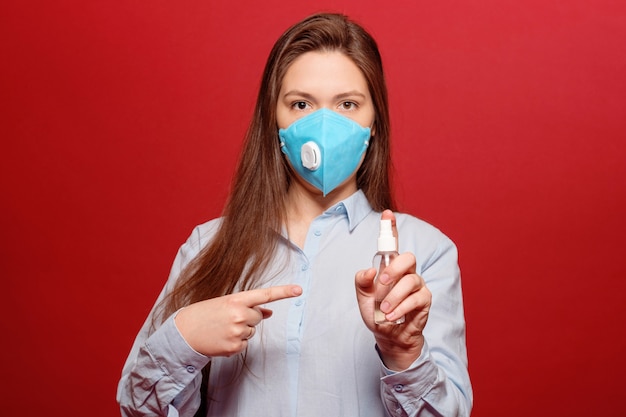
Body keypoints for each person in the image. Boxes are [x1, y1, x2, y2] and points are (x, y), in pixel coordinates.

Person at [117, 12, 472, 417]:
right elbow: (136, 407)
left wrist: (403, 353)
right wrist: (184, 340)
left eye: (348, 104)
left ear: (374, 124)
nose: (324, 125)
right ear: (275, 120)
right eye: (301, 104)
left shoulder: (424, 252)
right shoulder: (207, 246)